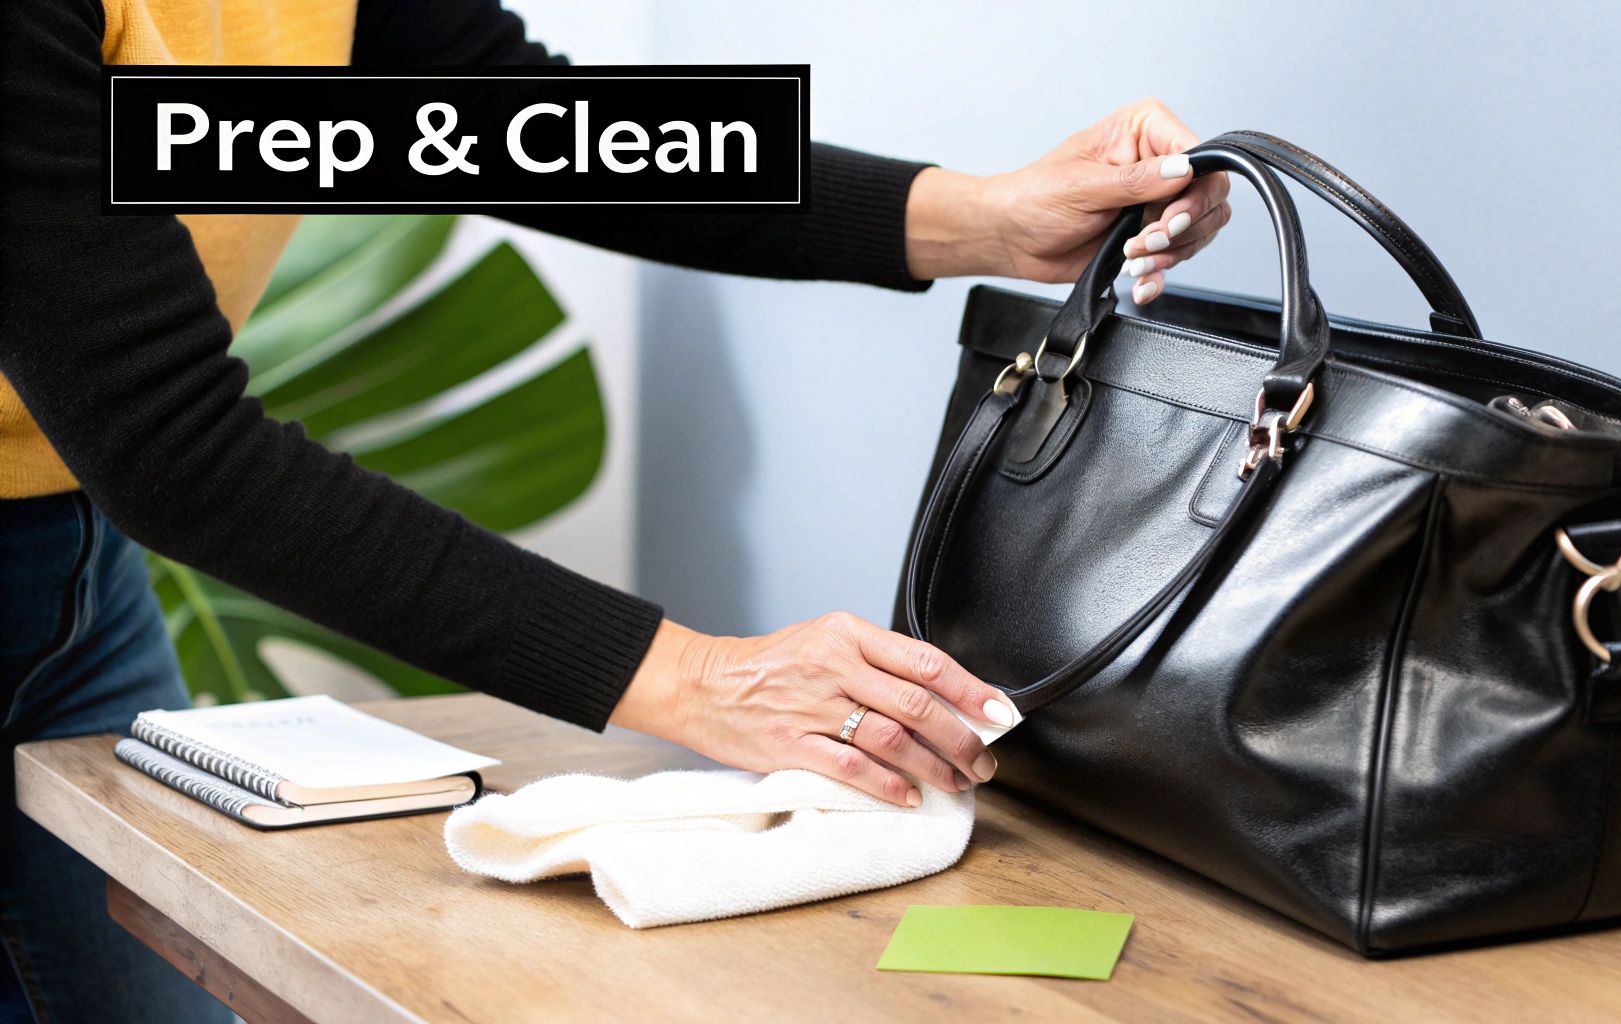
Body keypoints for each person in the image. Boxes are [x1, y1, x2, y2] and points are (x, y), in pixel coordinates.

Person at [0, 0, 1233, 1018]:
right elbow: (169, 443)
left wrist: (984, 216)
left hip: (67, 570)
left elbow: (512, 120)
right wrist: (699, 679)